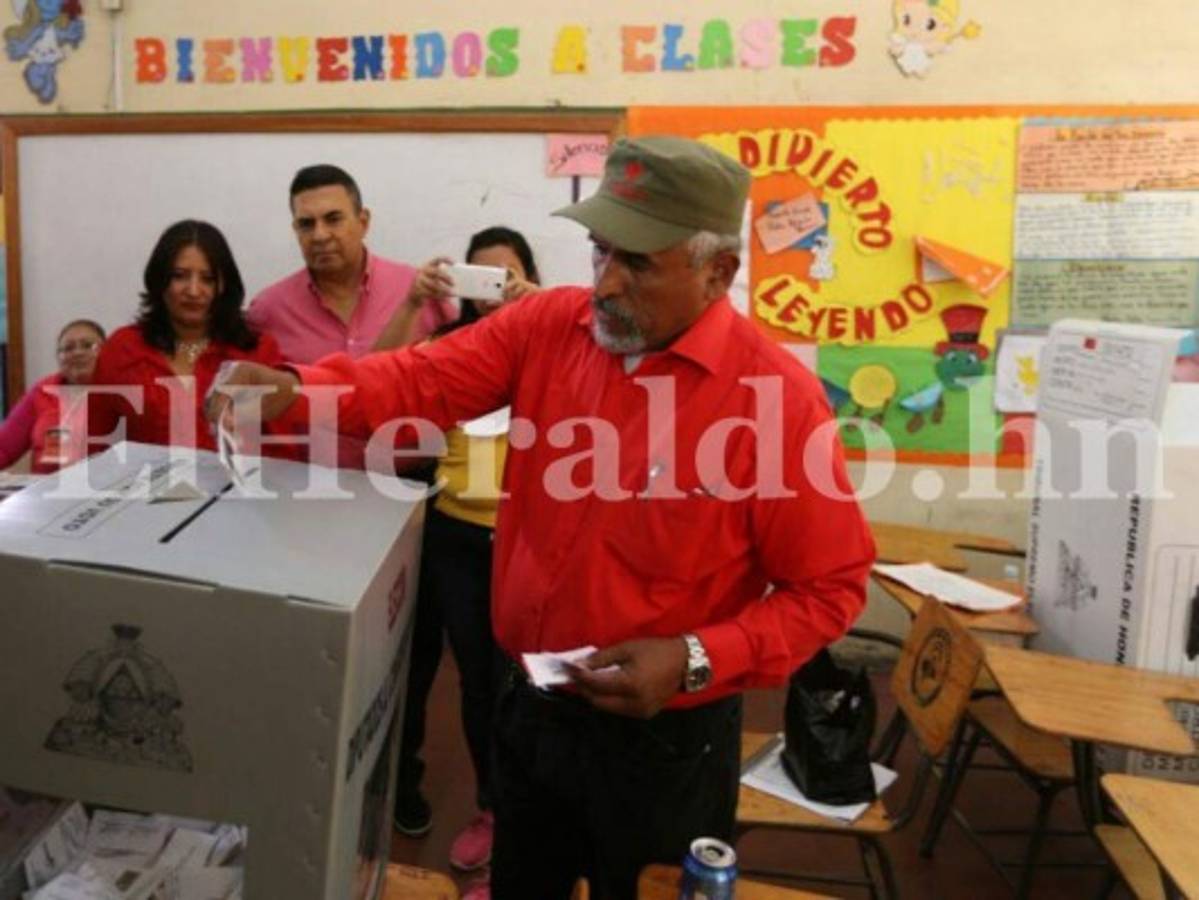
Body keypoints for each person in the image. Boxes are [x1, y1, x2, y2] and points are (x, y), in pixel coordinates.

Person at [210, 136, 876, 900]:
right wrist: (297, 387)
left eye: (639, 263)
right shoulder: (551, 327)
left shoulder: (775, 401)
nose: (606, 284)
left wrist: (697, 656)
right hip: (529, 709)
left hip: (662, 744)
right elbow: (416, 380)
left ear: (716, 271)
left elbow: (829, 589)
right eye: (599, 253)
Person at [394, 227, 539, 896]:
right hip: (454, 536)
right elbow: (381, 380)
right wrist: (408, 304)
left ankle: (527, 824)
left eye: (506, 279)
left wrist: (545, 312)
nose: (493, 293)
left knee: (533, 685)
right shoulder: (449, 349)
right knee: (478, 684)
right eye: (480, 279)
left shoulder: (555, 345)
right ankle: (492, 806)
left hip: (534, 539)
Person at [88, 219, 291, 455]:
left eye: (208, 279)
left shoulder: (257, 351)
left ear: (223, 285)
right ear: (159, 280)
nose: (194, 291)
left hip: (240, 489)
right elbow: (96, 447)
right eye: (180, 276)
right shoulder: (121, 349)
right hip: (145, 489)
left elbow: (283, 450)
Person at [247, 163, 456, 364]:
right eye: (306, 224)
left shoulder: (419, 291)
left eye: (333, 219)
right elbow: (251, 394)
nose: (320, 235)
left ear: (363, 222)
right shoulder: (269, 311)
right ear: (295, 229)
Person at [0, 319, 104, 472]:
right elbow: (4, 448)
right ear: (58, 358)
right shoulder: (42, 391)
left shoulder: (122, 392)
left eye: (88, 346)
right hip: (45, 491)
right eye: (68, 348)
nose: (78, 353)